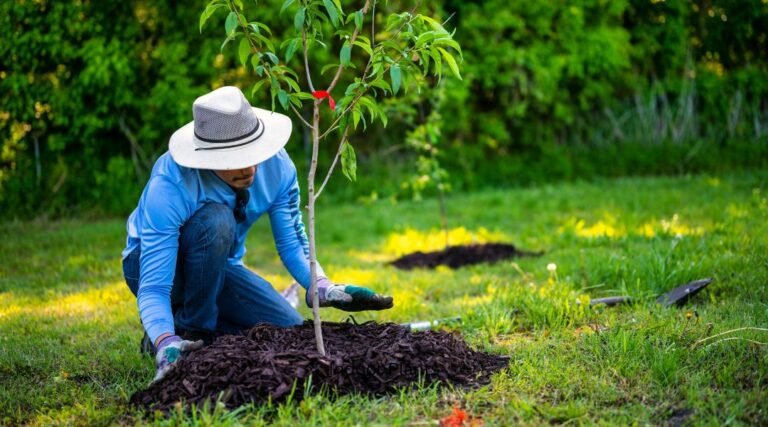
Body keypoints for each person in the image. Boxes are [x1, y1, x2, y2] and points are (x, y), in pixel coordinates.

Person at [121, 86, 393, 382]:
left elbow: (292, 242)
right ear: (207, 157)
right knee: (217, 219)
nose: (249, 167)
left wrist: (322, 286)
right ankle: (185, 332)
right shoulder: (172, 184)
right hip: (152, 267)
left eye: (253, 152)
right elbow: (155, 286)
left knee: (287, 328)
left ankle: (190, 326)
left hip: (219, 267)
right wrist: (165, 341)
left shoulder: (277, 167)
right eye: (233, 158)